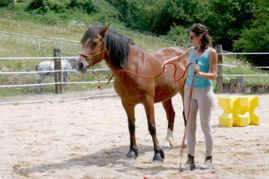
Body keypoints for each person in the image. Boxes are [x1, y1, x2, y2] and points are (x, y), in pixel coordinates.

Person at [162, 23, 218, 170]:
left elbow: (214, 75)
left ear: (200, 37)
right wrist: (166, 62)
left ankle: (208, 158)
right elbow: (179, 58)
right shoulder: (191, 51)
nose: (190, 39)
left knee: (205, 126)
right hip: (189, 90)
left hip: (204, 91)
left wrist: (200, 73)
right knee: (189, 126)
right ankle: (190, 159)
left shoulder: (211, 53)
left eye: (192, 37)